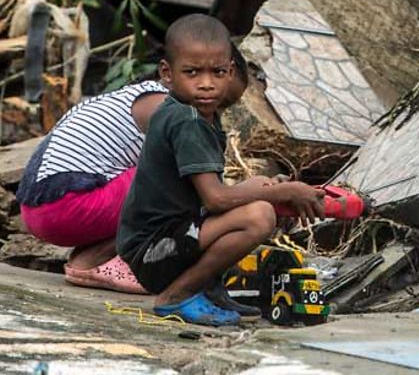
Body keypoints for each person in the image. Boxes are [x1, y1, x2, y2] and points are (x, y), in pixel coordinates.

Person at [117, 14, 325, 326]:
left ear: (230, 71)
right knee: (259, 216)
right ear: (167, 73)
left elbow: (209, 197)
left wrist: (271, 187)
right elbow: (214, 200)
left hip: (165, 240)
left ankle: (210, 291)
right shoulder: (186, 121)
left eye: (217, 72)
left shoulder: (192, 114)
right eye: (192, 72)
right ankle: (176, 296)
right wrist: (285, 192)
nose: (206, 83)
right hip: (154, 251)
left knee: (259, 187)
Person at [16, 45, 248, 294]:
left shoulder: (138, 95)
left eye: (223, 105)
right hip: (65, 205)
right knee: (182, 180)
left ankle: (89, 258)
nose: (212, 105)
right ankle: (103, 260)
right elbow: (208, 195)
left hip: (40, 208)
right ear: (170, 74)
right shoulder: (168, 110)